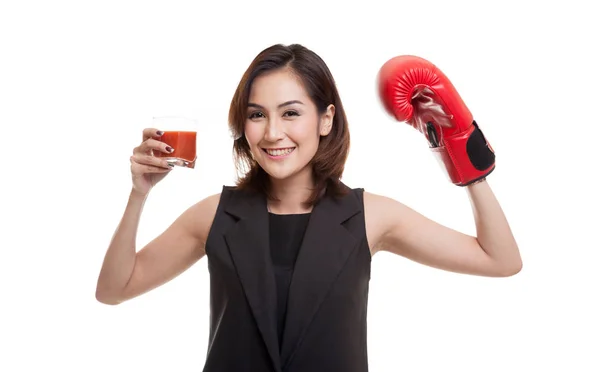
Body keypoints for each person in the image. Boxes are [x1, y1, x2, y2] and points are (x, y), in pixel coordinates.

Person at [95, 43, 522, 372]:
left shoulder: (369, 216)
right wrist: (140, 193)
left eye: (291, 113)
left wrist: (461, 152)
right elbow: (113, 290)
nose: (272, 132)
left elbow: (500, 259)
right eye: (257, 114)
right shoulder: (215, 215)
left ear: (326, 119)